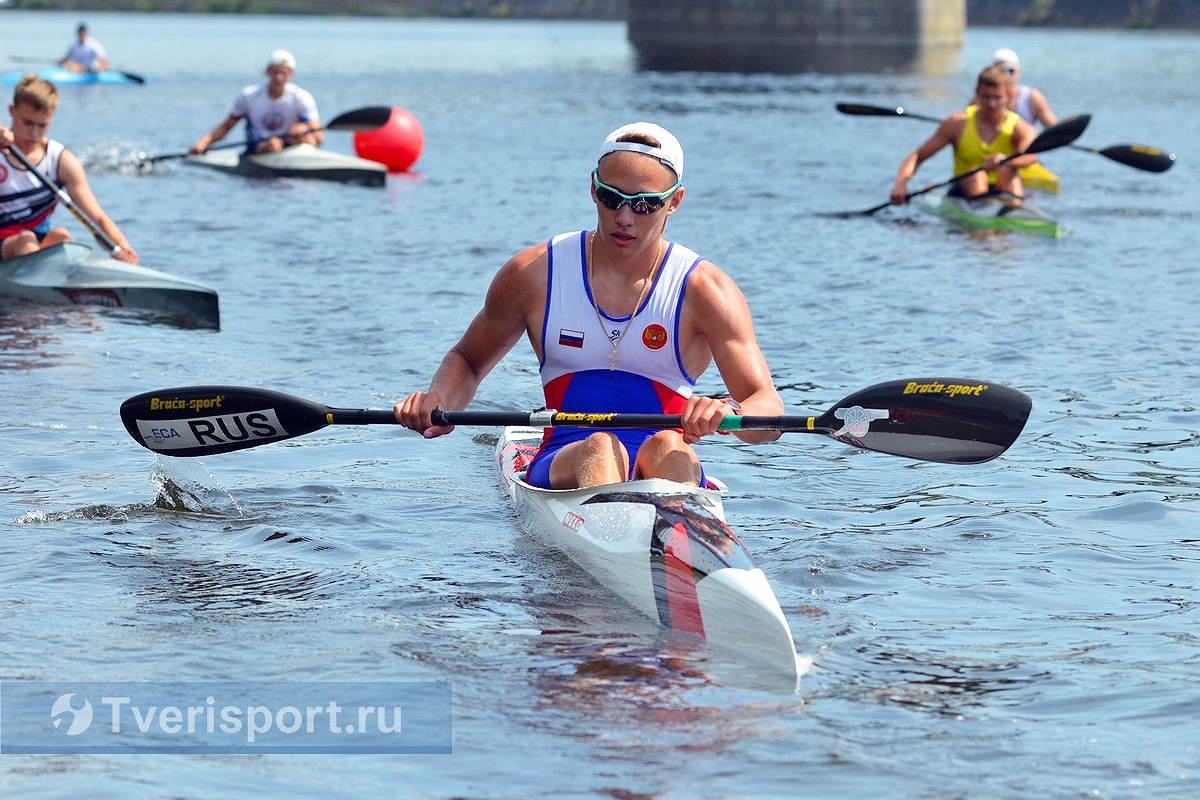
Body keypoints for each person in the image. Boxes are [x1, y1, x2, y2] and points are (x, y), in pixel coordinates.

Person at [394, 122, 783, 489]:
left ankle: (676, 538)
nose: (624, 218)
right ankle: (629, 532)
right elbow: (469, 359)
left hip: (666, 455)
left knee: (669, 444)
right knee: (601, 445)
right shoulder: (534, 274)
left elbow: (768, 414)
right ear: (593, 188)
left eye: (645, 204)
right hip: (566, 455)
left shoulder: (706, 290)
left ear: (675, 201)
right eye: (612, 198)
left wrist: (727, 411)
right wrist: (439, 403)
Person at [0, 76, 138, 264]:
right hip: (9, 243)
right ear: (12, 111)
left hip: (36, 242)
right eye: (27, 123)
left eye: (42, 125)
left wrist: (122, 248)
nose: (34, 133)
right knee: (26, 243)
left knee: (62, 238)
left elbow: (96, 216)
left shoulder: (61, 160)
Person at [890, 65, 1040, 205]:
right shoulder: (956, 124)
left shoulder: (1020, 128)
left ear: (1007, 96)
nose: (992, 104)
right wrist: (901, 183)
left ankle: (1014, 210)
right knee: (977, 174)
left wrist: (1006, 160)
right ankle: (981, 223)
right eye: (986, 97)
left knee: (1008, 170)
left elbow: (1031, 156)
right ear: (977, 93)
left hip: (1003, 187)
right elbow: (918, 156)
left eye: (997, 98)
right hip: (964, 190)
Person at [189, 50, 323, 156]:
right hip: (258, 146)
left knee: (309, 139)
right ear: (267, 72)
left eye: (283, 73)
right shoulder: (249, 96)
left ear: (291, 74)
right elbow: (226, 127)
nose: (279, 78)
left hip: (289, 144)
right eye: (275, 72)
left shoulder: (301, 97)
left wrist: (305, 130)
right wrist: (203, 143)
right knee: (274, 144)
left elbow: (319, 137)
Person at [991, 47, 1057, 129]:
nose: (1006, 74)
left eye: (1010, 70)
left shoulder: (1032, 97)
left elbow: (1054, 129)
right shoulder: (982, 98)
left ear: (1019, 72)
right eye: (1001, 70)